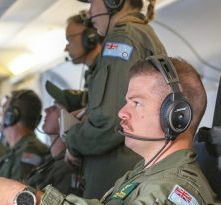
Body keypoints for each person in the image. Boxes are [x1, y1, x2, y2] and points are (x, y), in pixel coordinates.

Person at [0, 56, 221, 205]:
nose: (122, 112)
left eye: (136, 102)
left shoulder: (173, 189)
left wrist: (25, 198)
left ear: (177, 117)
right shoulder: (146, 173)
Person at [63, 0, 166, 198]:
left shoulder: (122, 39)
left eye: (93, 3)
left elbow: (110, 121)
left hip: (115, 174)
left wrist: (73, 141)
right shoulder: (141, 34)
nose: (90, 12)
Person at [25, 81, 85, 196]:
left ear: (70, 117)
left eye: (55, 107)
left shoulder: (69, 166)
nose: (47, 110)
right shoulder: (50, 160)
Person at [0, 89, 49, 181]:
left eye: (4, 109)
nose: (1, 115)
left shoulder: (30, 151)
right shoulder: (14, 151)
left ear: (10, 116)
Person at [65, 11, 102, 92]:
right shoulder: (92, 74)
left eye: (69, 40)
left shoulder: (109, 67)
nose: (66, 48)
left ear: (89, 36)